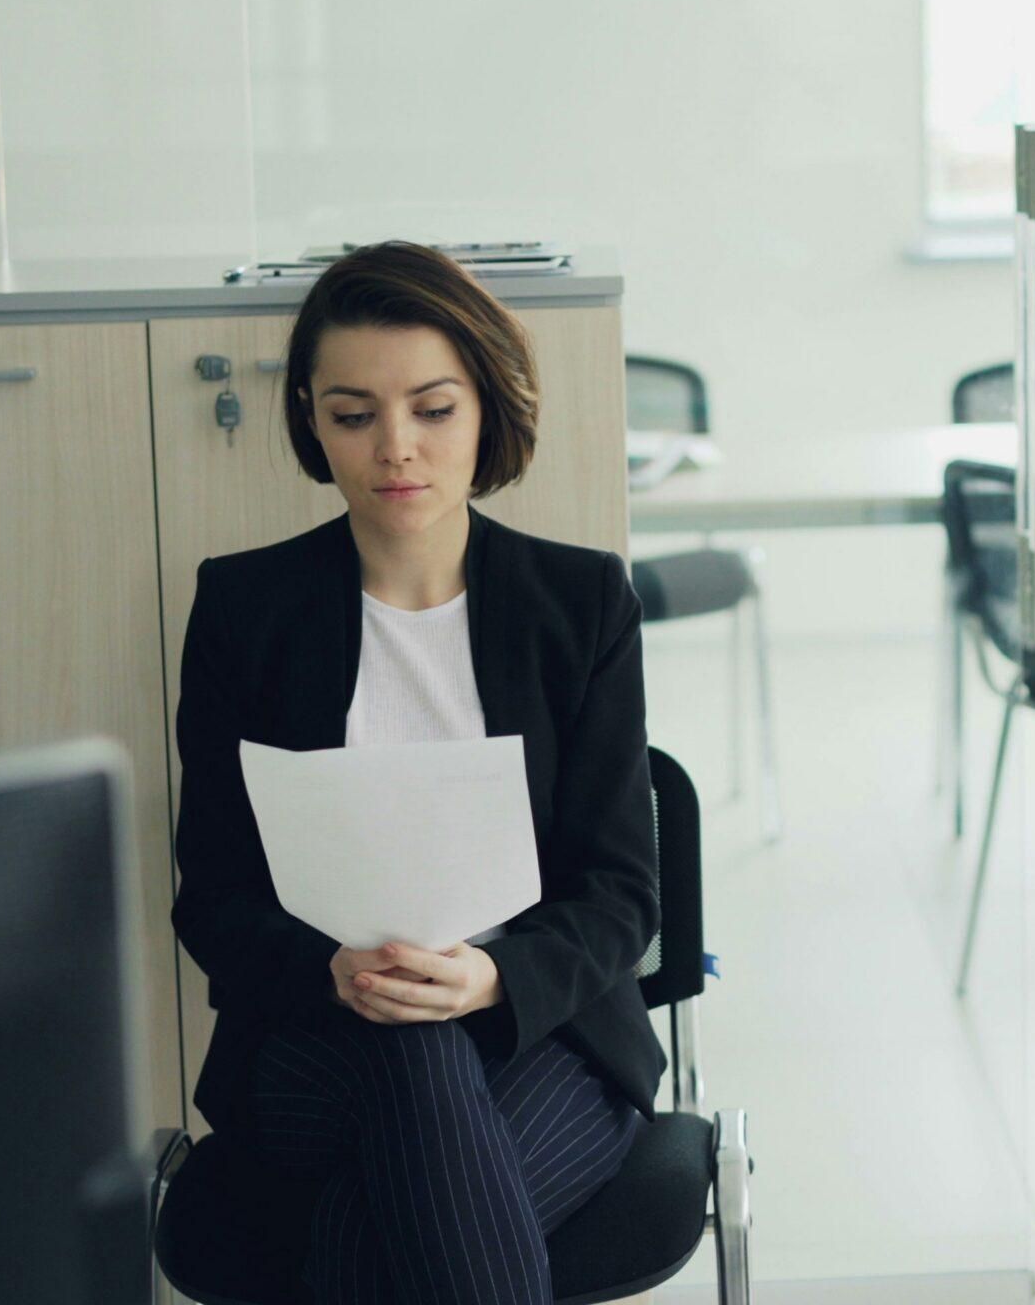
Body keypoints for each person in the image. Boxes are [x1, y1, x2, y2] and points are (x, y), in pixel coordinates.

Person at [170, 242, 663, 1303]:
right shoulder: (245, 612)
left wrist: (487, 979)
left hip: (543, 1035)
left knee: (383, 1220)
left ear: (485, 409)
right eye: (353, 415)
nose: (395, 449)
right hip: (315, 1042)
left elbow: (622, 894)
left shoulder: (578, 606)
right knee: (408, 1056)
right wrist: (332, 974)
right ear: (311, 419)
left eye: (432, 410)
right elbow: (210, 893)